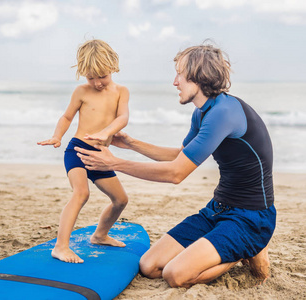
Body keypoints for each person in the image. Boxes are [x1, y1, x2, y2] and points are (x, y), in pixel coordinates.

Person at [75, 43, 276, 287]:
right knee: (149, 266)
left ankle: (246, 250)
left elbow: (176, 174)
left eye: (179, 74)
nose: (175, 82)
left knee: (175, 275)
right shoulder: (202, 112)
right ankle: (231, 247)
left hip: (251, 218)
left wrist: (115, 163)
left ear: (197, 77)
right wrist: (131, 144)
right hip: (217, 209)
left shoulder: (224, 112)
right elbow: (179, 157)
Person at [37, 39, 130, 264]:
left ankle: (100, 235)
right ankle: (60, 247)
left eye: (103, 76)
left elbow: (122, 117)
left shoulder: (121, 92)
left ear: (113, 67)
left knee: (120, 200)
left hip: (101, 156)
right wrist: (57, 136)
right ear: (83, 74)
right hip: (78, 149)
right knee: (81, 193)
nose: (97, 83)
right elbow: (67, 116)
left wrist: (106, 132)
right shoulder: (81, 91)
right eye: (91, 77)